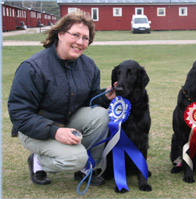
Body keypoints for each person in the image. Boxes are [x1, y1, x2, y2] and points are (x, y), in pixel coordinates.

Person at [7, 11, 116, 186]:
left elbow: (88, 101)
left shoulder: (89, 66)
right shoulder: (32, 68)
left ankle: (84, 169)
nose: (80, 42)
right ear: (60, 34)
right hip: (34, 131)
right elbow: (20, 114)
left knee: (101, 115)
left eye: (85, 38)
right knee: (76, 158)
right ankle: (38, 161)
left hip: (65, 122)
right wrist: (54, 131)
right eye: (75, 35)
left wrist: (104, 97)